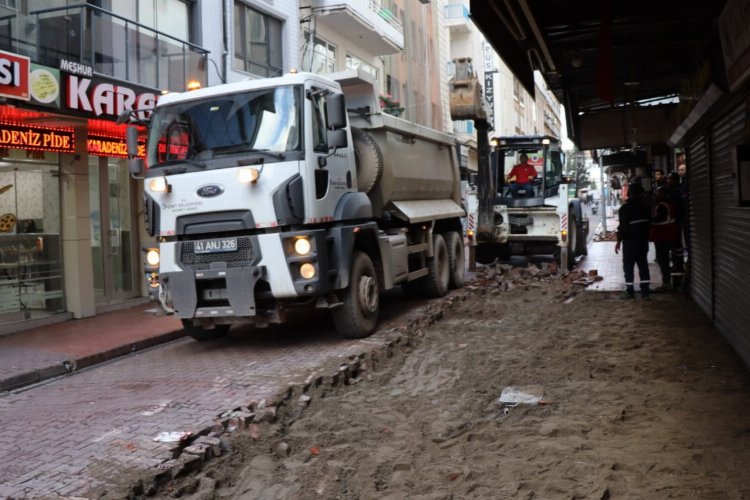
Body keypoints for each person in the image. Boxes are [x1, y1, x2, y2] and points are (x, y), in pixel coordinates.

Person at [615, 180, 651, 299]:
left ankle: (630, 291)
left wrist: (619, 241)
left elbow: (623, 227)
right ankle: (645, 293)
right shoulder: (646, 207)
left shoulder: (625, 209)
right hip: (642, 241)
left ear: (629, 193)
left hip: (630, 242)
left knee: (628, 267)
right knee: (643, 266)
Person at [649, 186, 679, 290]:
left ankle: (666, 283)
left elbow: (659, 220)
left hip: (663, 236)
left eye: (658, 193)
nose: (656, 194)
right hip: (666, 235)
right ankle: (666, 282)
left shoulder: (662, 206)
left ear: (663, 194)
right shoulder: (668, 204)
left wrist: (649, 221)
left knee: (663, 260)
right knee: (663, 259)